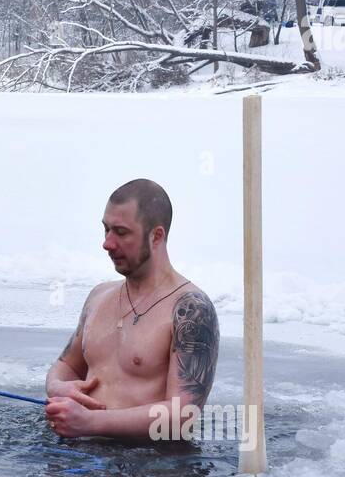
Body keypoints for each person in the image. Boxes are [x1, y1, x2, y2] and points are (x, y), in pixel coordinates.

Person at [45, 179, 219, 441]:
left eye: (121, 232)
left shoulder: (190, 310)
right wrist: (58, 387)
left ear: (156, 235)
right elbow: (66, 364)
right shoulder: (99, 296)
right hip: (79, 457)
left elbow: (184, 414)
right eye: (106, 230)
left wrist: (91, 422)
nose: (107, 243)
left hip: (148, 468)